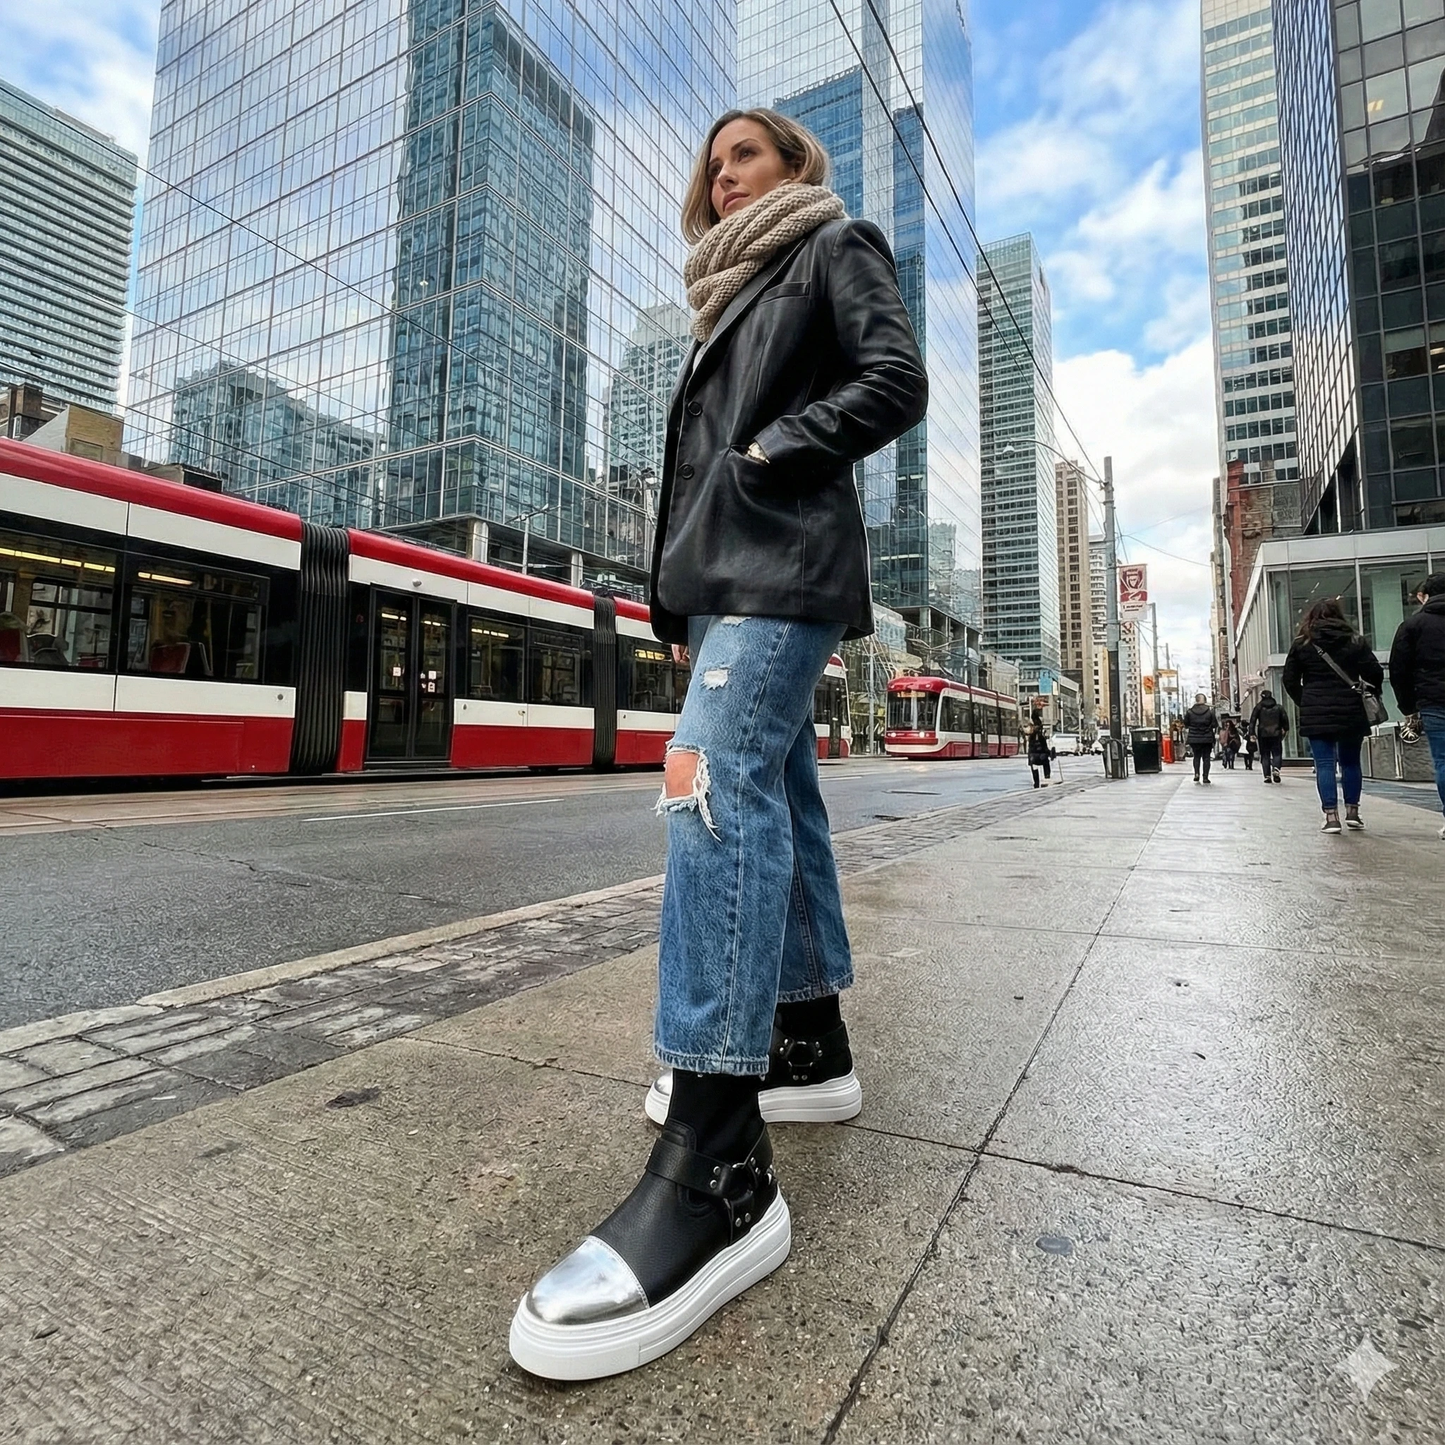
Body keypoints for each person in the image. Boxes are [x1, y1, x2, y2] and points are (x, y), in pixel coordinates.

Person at [509, 108, 927, 1381]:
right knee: (780, 796)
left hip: (783, 570)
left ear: (791, 165)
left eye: (742, 153)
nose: (719, 172)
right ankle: (803, 1042)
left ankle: (717, 1148)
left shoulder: (828, 243)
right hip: (728, 587)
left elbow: (892, 377)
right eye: (711, 162)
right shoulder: (722, 303)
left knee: (704, 782)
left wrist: (766, 454)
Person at [1283, 598, 1384, 834]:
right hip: (1350, 709)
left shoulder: (1302, 643)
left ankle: (1331, 817)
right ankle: (1353, 813)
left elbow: (1289, 679)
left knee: (1324, 764)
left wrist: (1305, 700)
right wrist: (1368, 691)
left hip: (1316, 711)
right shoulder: (1355, 641)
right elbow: (1375, 672)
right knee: (1350, 762)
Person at [1387, 571, 1445, 840]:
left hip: (1433, 701)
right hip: (1432, 699)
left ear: (1425, 596)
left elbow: (1398, 669)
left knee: (1443, 760)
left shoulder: (1412, 626)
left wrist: (1408, 707)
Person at [1247, 689, 1290, 784]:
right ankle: (1276, 769)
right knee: (1277, 753)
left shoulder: (1258, 707)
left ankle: (1267, 776)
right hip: (1276, 733)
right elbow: (1285, 719)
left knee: (1265, 755)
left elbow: (1252, 720)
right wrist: (1285, 728)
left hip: (1263, 734)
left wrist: (1252, 733)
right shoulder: (1278, 707)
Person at [1184, 693, 1219, 784]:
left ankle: (1196, 774)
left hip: (1194, 738)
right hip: (1207, 738)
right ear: (1204, 700)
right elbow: (1215, 724)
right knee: (1206, 758)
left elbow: (1186, 724)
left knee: (1196, 756)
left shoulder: (1190, 712)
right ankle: (1205, 777)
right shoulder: (1210, 712)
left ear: (1196, 700)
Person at [1027, 721, 1055, 787]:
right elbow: (1045, 748)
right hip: (1041, 757)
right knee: (1046, 763)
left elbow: (1030, 749)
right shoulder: (1041, 738)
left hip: (1033, 758)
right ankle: (1046, 778)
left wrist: (1029, 759)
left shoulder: (1031, 738)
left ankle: (1036, 782)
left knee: (1034, 767)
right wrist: (1050, 753)